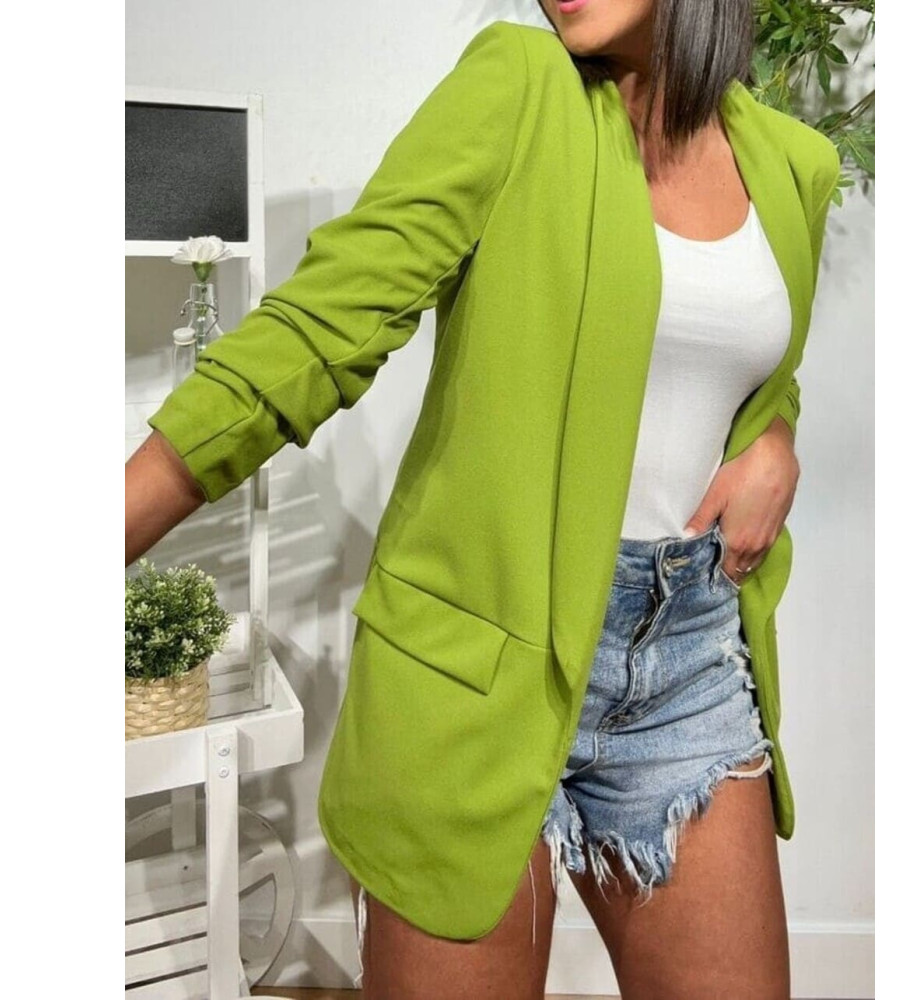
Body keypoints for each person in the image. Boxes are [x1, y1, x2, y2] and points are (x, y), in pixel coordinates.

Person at [126, 1, 842, 996]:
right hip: (475, 664)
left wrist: (776, 439)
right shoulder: (519, 88)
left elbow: (755, 365)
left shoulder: (796, 164)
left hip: (688, 664)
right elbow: (322, 328)